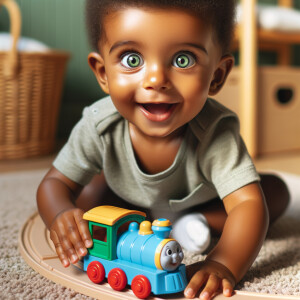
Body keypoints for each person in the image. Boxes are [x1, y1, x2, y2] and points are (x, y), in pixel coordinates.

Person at [37, 1, 290, 299]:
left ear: (217, 75)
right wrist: (60, 215)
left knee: (271, 193)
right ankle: (148, 222)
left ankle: (197, 224)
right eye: (132, 59)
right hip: (128, 204)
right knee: (87, 200)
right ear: (103, 72)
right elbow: (54, 184)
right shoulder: (98, 124)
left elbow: (245, 204)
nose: (156, 79)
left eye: (183, 60)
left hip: (205, 203)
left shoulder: (214, 130)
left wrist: (223, 263)